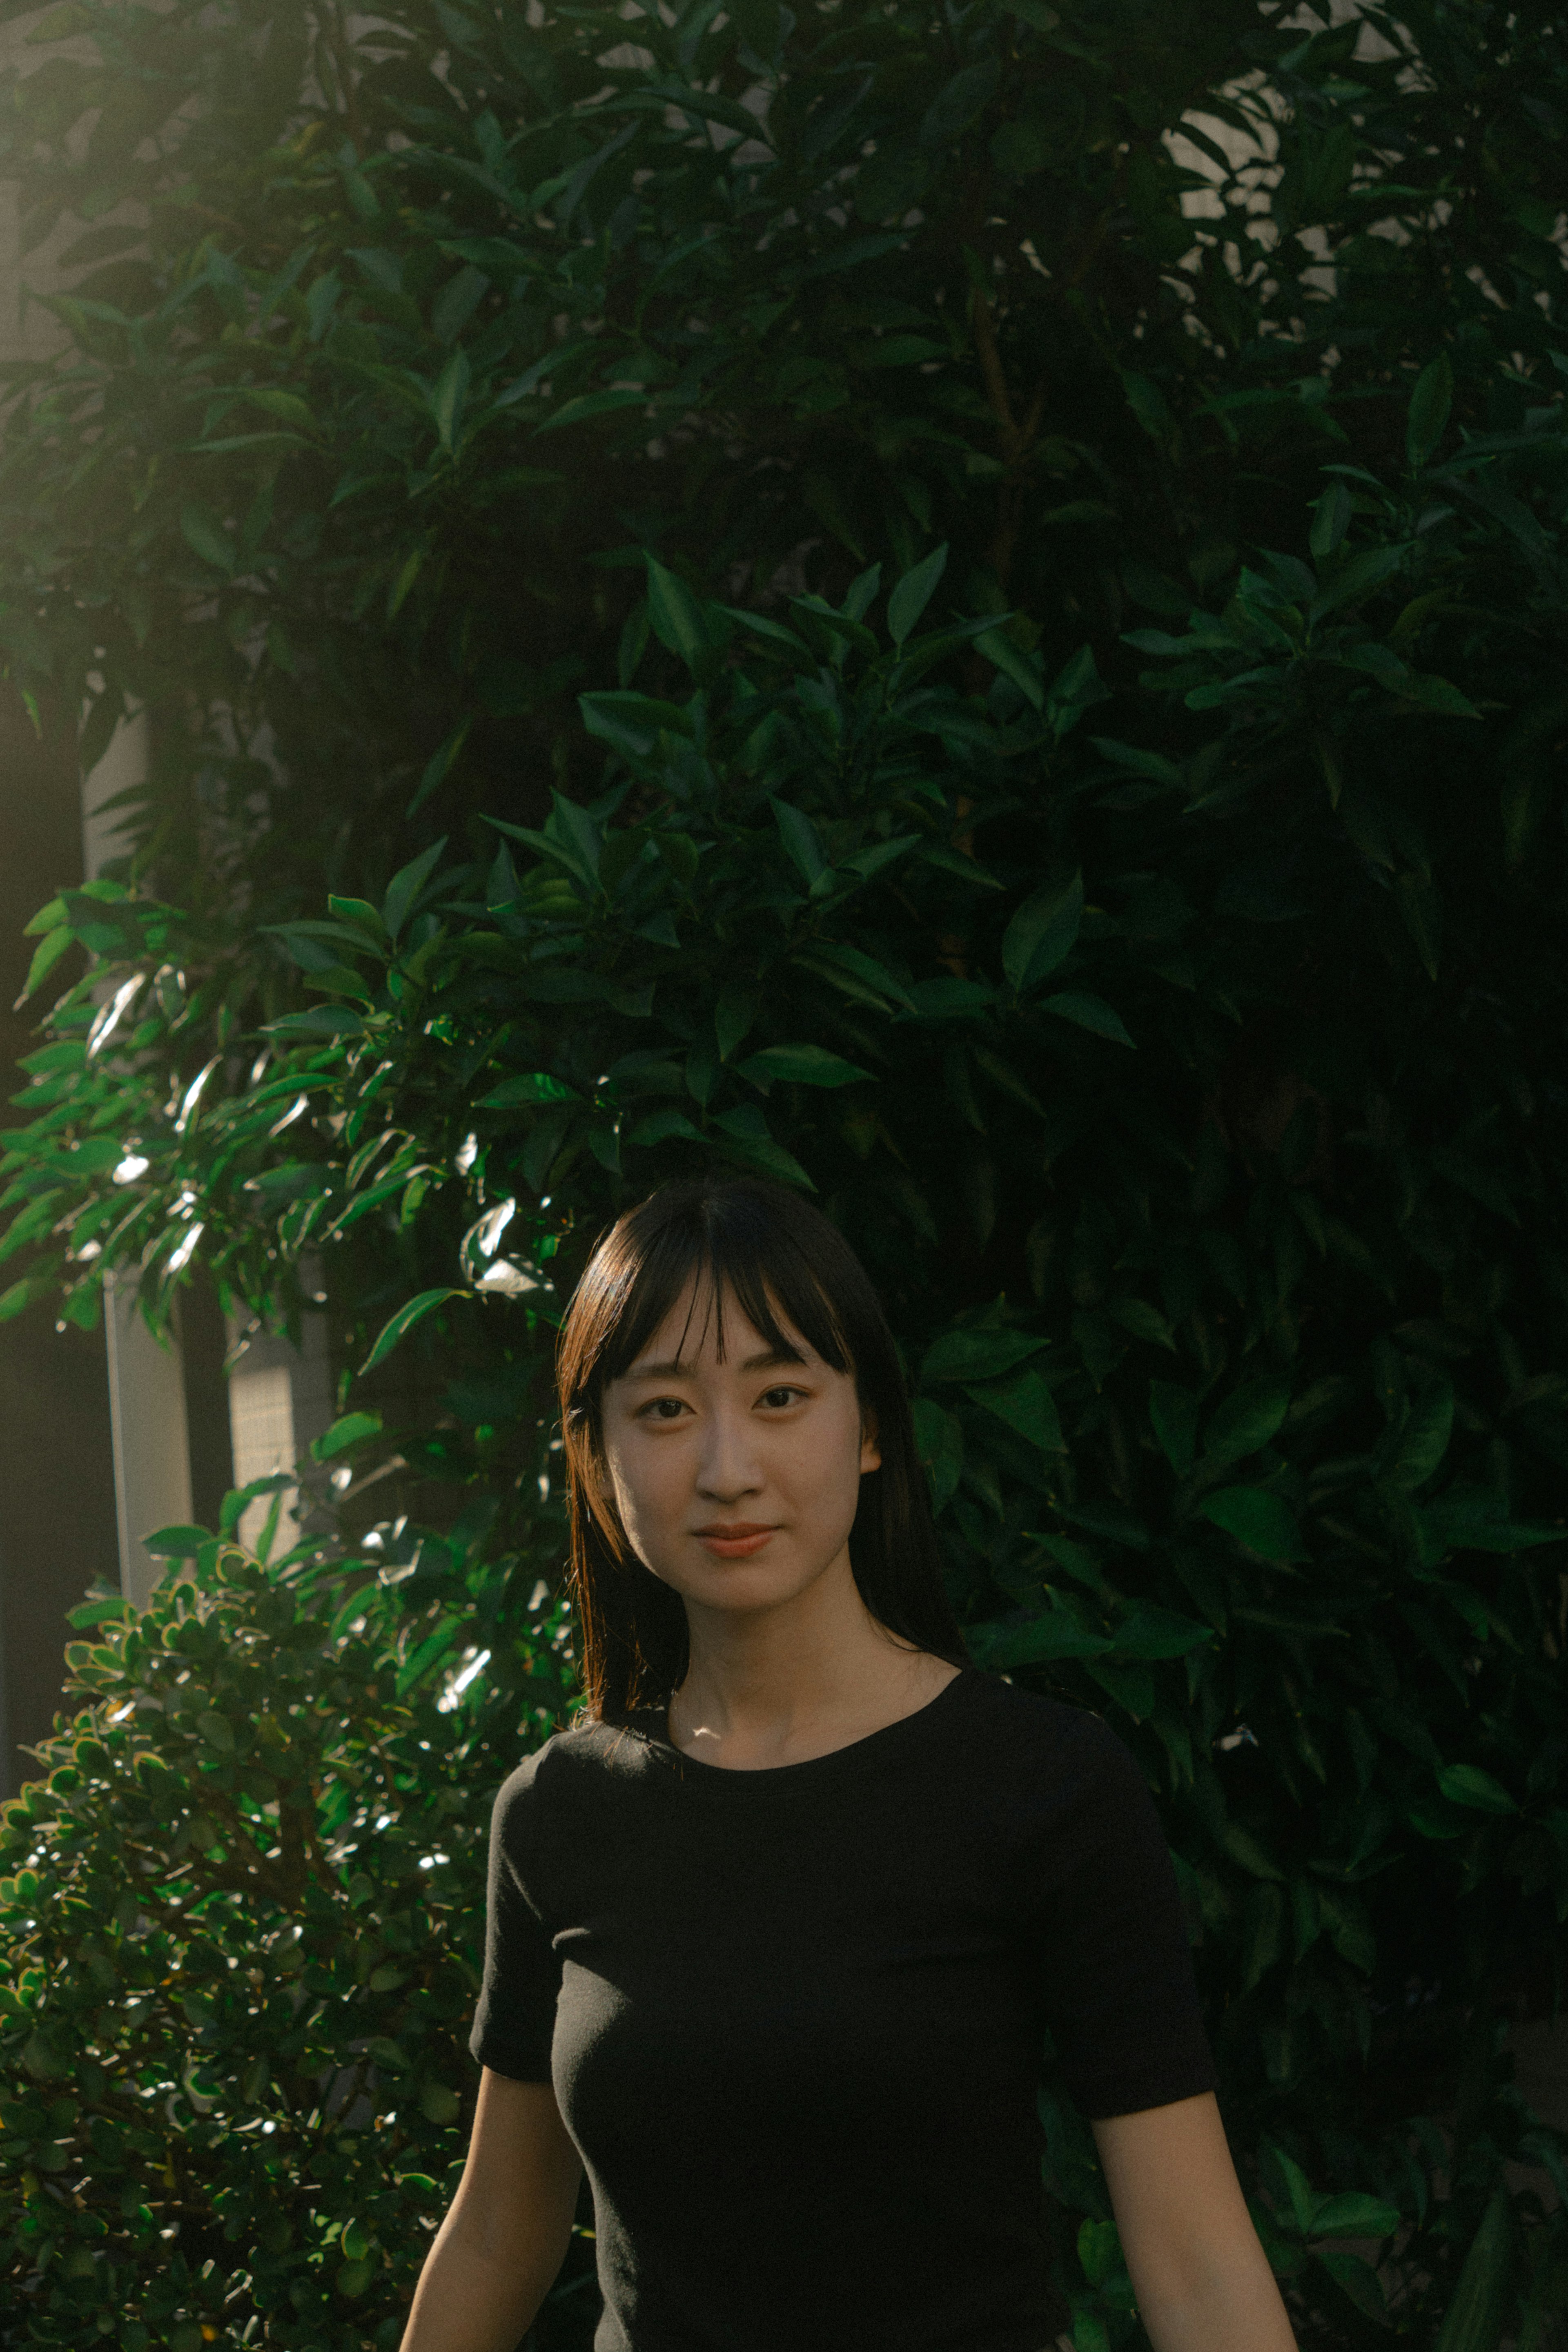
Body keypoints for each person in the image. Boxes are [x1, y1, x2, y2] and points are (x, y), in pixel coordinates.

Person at [400, 1176, 1298, 2352]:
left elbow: (1196, 2269)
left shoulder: (1044, 1788)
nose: (728, 1468)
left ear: (869, 1426)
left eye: (780, 1396)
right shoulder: (559, 1813)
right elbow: (497, 2237)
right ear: (593, 1456)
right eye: (664, 1410)